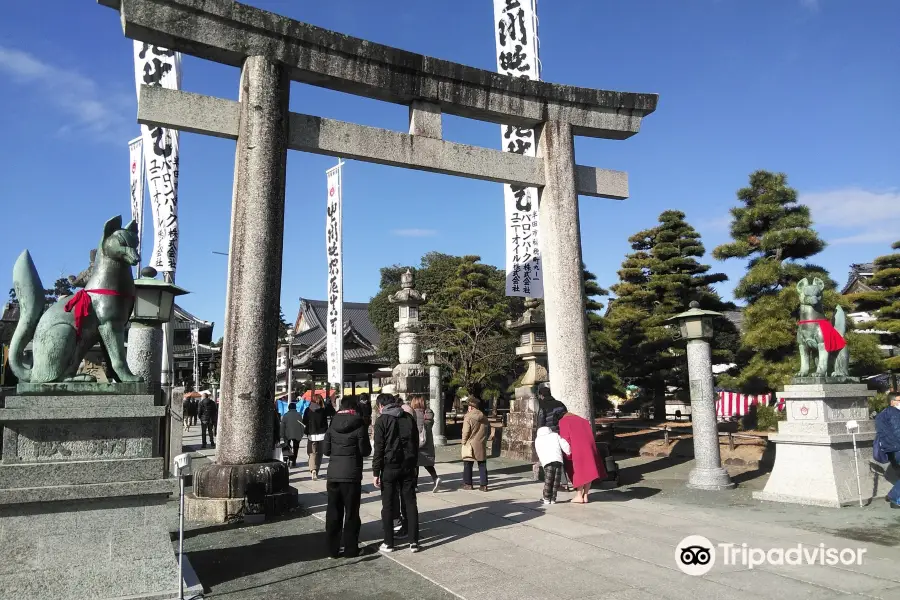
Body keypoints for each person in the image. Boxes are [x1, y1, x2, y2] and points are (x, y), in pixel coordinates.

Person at [322, 395, 372, 557]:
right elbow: (365, 451)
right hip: (351, 474)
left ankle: (332, 549)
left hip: (334, 474)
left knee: (333, 512)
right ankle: (351, 549)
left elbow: (326, 451)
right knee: (351, 513)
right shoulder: (359, 424)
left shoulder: (332, 423)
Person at [373, 393, 420, 553]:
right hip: (407, 465)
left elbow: (378, 449)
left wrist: (375, 472)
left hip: (389, 467)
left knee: (388, 504)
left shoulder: (382, 420)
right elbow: (415, 443)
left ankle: (389, 542)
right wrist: (414, 465)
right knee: (410, 502)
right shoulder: (408, 417)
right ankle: (414, 541)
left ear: (381, 406)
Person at [559, 412, 606, 503]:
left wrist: (567, 453)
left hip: (577, 448)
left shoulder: (563, 421)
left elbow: (565, 438)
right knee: (589, 470)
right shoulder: (584, 421)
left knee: (578, 472)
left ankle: (579, 495)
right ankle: (586, 495)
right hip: (590, 447)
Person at [410, 395, 441, 492]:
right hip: (427, 442)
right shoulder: (428, 414)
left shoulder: (413, 414)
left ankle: (414, 485)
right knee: (427, 463)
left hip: (416, 442)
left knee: (415, 464)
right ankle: (435, 478)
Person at [534, 426, 571, 505]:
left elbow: (538, 451)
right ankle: (553, 498)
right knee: (556, 480)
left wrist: (542, 461)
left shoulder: (538, 439)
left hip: (547, 462)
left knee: (548, 480)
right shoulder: (555, 435)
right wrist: (568, 451)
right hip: (558, 460)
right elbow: (564, 443)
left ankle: (546, 498)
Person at [875, 392, 900, 508]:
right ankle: (894, 497)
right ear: (892, 402)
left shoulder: (881, 415)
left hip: (890, 450)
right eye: (899, 400)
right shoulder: (895, 413)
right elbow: (898, 432)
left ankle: (893, 496)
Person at [460, 396, 490, 491]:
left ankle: (468, 484)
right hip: (481, 443)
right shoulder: (484, 417)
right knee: (482, 464)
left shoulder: (468, 417)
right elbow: (488, 431)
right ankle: (484, 485)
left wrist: (463, 442)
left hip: (470, 443)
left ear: (470, 407)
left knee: (468, 463)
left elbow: (466, 431)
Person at [302, 394, 335, 480]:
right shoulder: (323, 409)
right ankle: (316, 470)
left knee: (312, 453)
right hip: (322, 434)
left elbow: (304, 421)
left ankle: (313, 469)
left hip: (311, 435)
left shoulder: (308, 410)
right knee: (320, 454)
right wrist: (329, 404)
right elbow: (333, 413)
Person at [281, 402, 305, 468]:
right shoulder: (299, 415)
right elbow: (302, 426)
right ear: (295, 408)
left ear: (289, 408)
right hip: (297, 434)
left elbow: (282, 426)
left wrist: (282, 435)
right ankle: (294, 461)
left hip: (287, 434)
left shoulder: (285, 415)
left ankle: (288, 458)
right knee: (296, 447)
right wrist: (301, 434)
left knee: (287, 446)